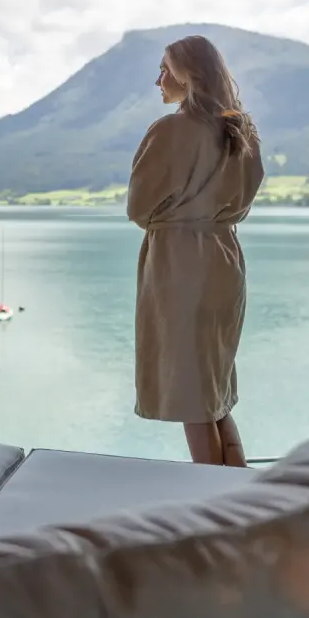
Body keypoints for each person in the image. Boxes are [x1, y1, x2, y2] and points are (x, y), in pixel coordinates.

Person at [126, 35, 264, 467]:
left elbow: (139, 206)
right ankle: (237, 487)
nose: (158, 79)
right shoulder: (239, 129)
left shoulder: (169, 131)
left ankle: (211, 501)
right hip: (224, 258)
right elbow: (243, 200)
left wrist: (173, 219)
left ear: (189, 76)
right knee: (213, 386)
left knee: (191, 391)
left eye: (165, 69)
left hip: (181, 263)